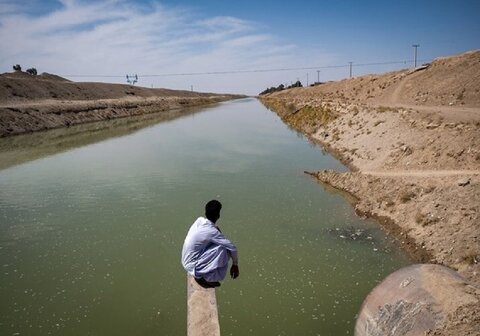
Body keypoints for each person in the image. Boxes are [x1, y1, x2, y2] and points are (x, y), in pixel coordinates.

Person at [181, 200, 239, 288]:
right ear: (218, 215)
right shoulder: (211, 232)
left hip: (186, 260)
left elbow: (212, 231)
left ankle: (201, 274)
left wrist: (217, 231)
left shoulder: (199, 220)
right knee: (224, 250)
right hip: (193, 266)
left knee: (219, 242)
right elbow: (232, 248)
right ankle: (203, 277)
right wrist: (235, 265)